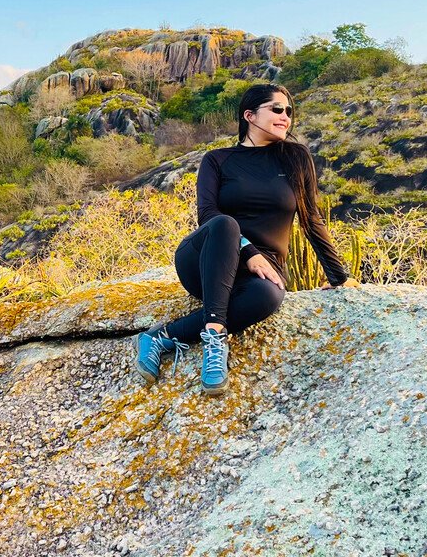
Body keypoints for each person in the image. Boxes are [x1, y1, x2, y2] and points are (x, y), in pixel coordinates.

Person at [134, 83, 361, 395]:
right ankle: (215, 338)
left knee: (269, 297)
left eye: (290, 112)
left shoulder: (295, 157)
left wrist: (338, 276)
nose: (286, 117)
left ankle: (160, 338)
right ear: (250, 115)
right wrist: (249, 250)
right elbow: (208, 214)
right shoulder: (217, 159)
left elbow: (311, 218)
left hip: (260, 273)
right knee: (225, 223)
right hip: (205, 261)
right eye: (277, 110)